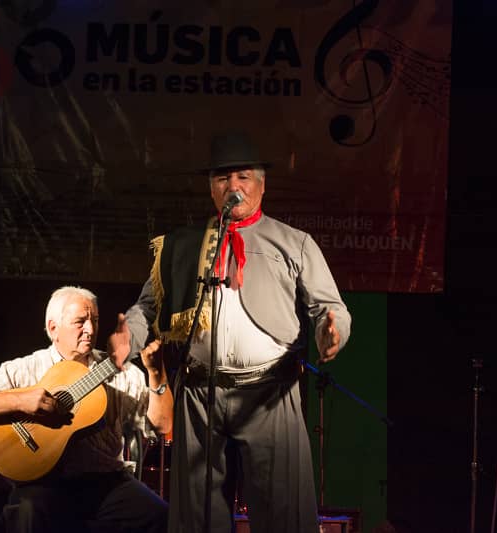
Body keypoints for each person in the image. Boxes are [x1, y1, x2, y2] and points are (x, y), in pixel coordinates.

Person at [124, 131, 352, 533]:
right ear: (210, 188)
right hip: (199, 394)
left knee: (282, 513)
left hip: (270, 392)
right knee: (197, 517)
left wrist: (331, 331)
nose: (233, 187)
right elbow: (146, 308)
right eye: (222, 179)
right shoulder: (183, 245)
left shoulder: (293, 243)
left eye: (243, 177)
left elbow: (329, 308)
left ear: (262, 185)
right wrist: (128, 337)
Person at [0, 286, 172, 532]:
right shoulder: (27, 368)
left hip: (107, 483)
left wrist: (156, 374)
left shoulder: (120, 371)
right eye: (80, 322)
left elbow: (163, 425)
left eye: (94, 320)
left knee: (162, 516)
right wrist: (20, 401)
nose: (91, 329)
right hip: (44, 484)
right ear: (53, 328)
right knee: (27, 512)